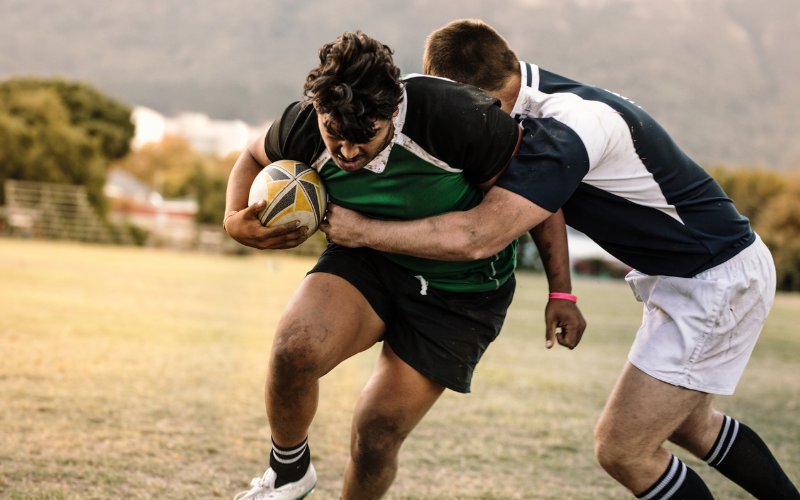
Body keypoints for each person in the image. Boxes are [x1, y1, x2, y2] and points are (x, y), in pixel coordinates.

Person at [320, 19, 800, 500]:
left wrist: (360, 231)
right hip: (698, 274)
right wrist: (562, 290)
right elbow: (553, 200)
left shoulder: (567, 124)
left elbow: (478, 236)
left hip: (713, 278)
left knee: (623, 450)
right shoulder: (534, 106)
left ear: (462, 93)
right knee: (692, 426)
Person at [222, 30, 584, 500]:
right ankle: (289, 473)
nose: (347, 153)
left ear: (393, 110)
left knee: (375, 432)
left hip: (462, 291)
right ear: (317, 109)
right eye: (336, 135)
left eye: (364, 138)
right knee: (294, 350)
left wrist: (562, 292)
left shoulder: (457, 116)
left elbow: (540, 194)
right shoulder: (306, 124)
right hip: (367, 262)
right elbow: (252, 156)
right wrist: (234, 222)